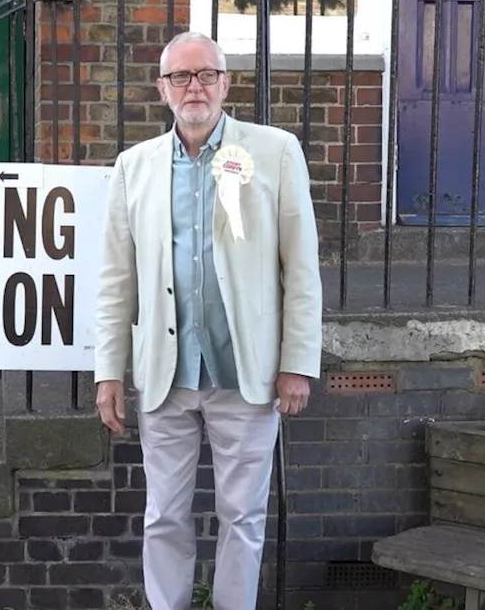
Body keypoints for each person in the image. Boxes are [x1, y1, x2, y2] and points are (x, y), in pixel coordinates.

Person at [93, 31, 323, 610]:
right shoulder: (133, 167)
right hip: (165, 376)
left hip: (245, 373)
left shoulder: (273, 151)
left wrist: (297, 362)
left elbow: (301, 266)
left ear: (225, 83)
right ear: (162, 88)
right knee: (163, 516)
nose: (193, 87)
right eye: (180, 76)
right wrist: (108, 371)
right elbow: (117, 279)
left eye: (206, 75)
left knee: (242, 517)